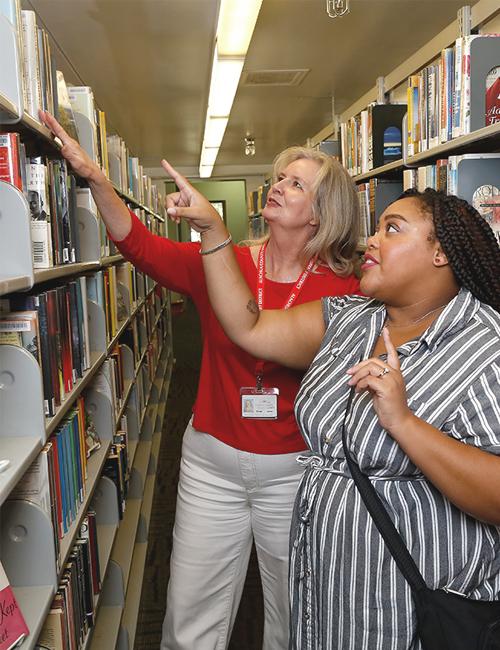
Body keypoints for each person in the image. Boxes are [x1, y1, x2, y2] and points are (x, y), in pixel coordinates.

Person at [39, 110, 361, 650]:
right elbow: (140, 246)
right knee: (189, 619)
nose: (278, 187)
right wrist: (96, 178)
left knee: (296, 617)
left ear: (321, 214)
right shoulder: (224, 261)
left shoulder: (345, 290)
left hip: (296, 472)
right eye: (279, 178)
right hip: (210, 463)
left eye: (295, 183)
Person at [163, 171, 500, 649]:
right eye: (377, 227)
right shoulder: (346, 318)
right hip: (328, 600)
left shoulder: (484, 346)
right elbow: (249, 327)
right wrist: (214, 232)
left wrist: (403, 424)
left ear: (440, 253)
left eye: (393, 229)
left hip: (407, 610)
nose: (371, 240)